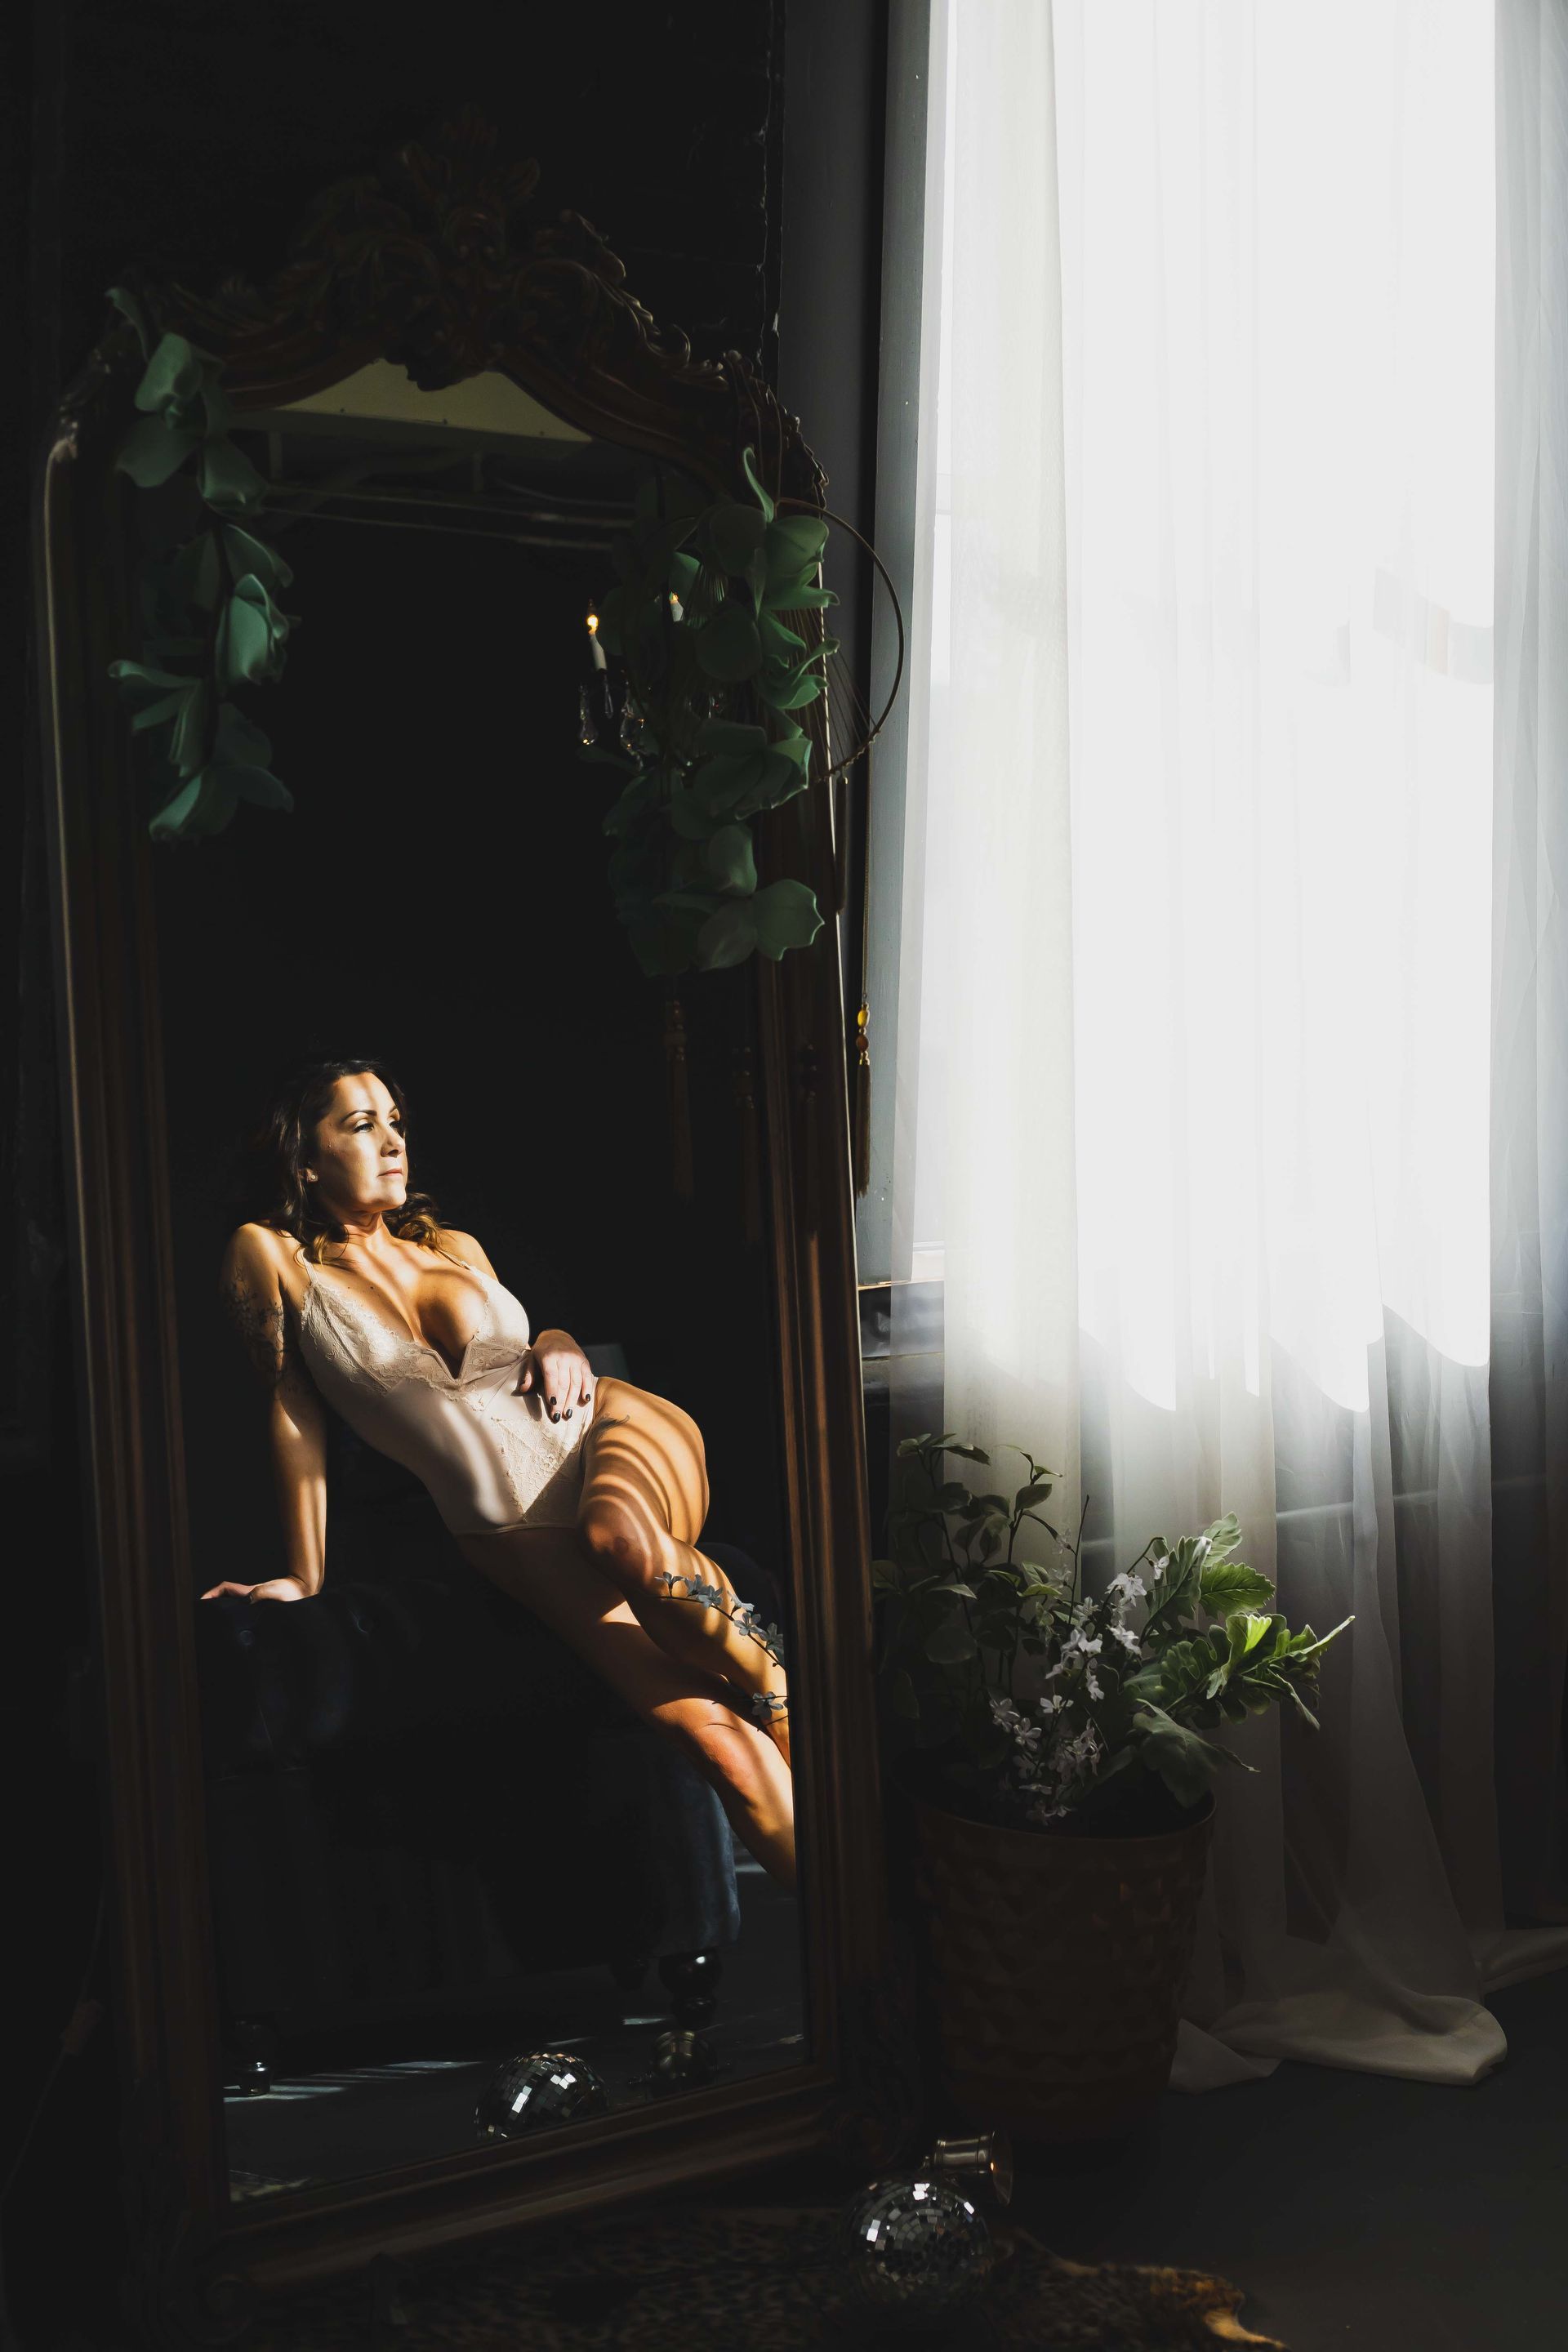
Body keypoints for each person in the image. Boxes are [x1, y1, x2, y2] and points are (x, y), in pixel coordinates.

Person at [203, 1056, 794, 1888]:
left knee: (619, 1537)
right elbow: (291, 1409)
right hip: (517, 1530)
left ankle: (778, 1684)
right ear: (304, 1157)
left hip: (615, 1435)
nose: (393, 1141)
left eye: (396, 1122)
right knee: (719, 1748)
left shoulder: (455, 1245)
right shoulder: (270, 1257)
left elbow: (526, 1349)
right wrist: (307, 1575)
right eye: (362, 1124)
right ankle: (851, 1921)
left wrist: (557, 1342)